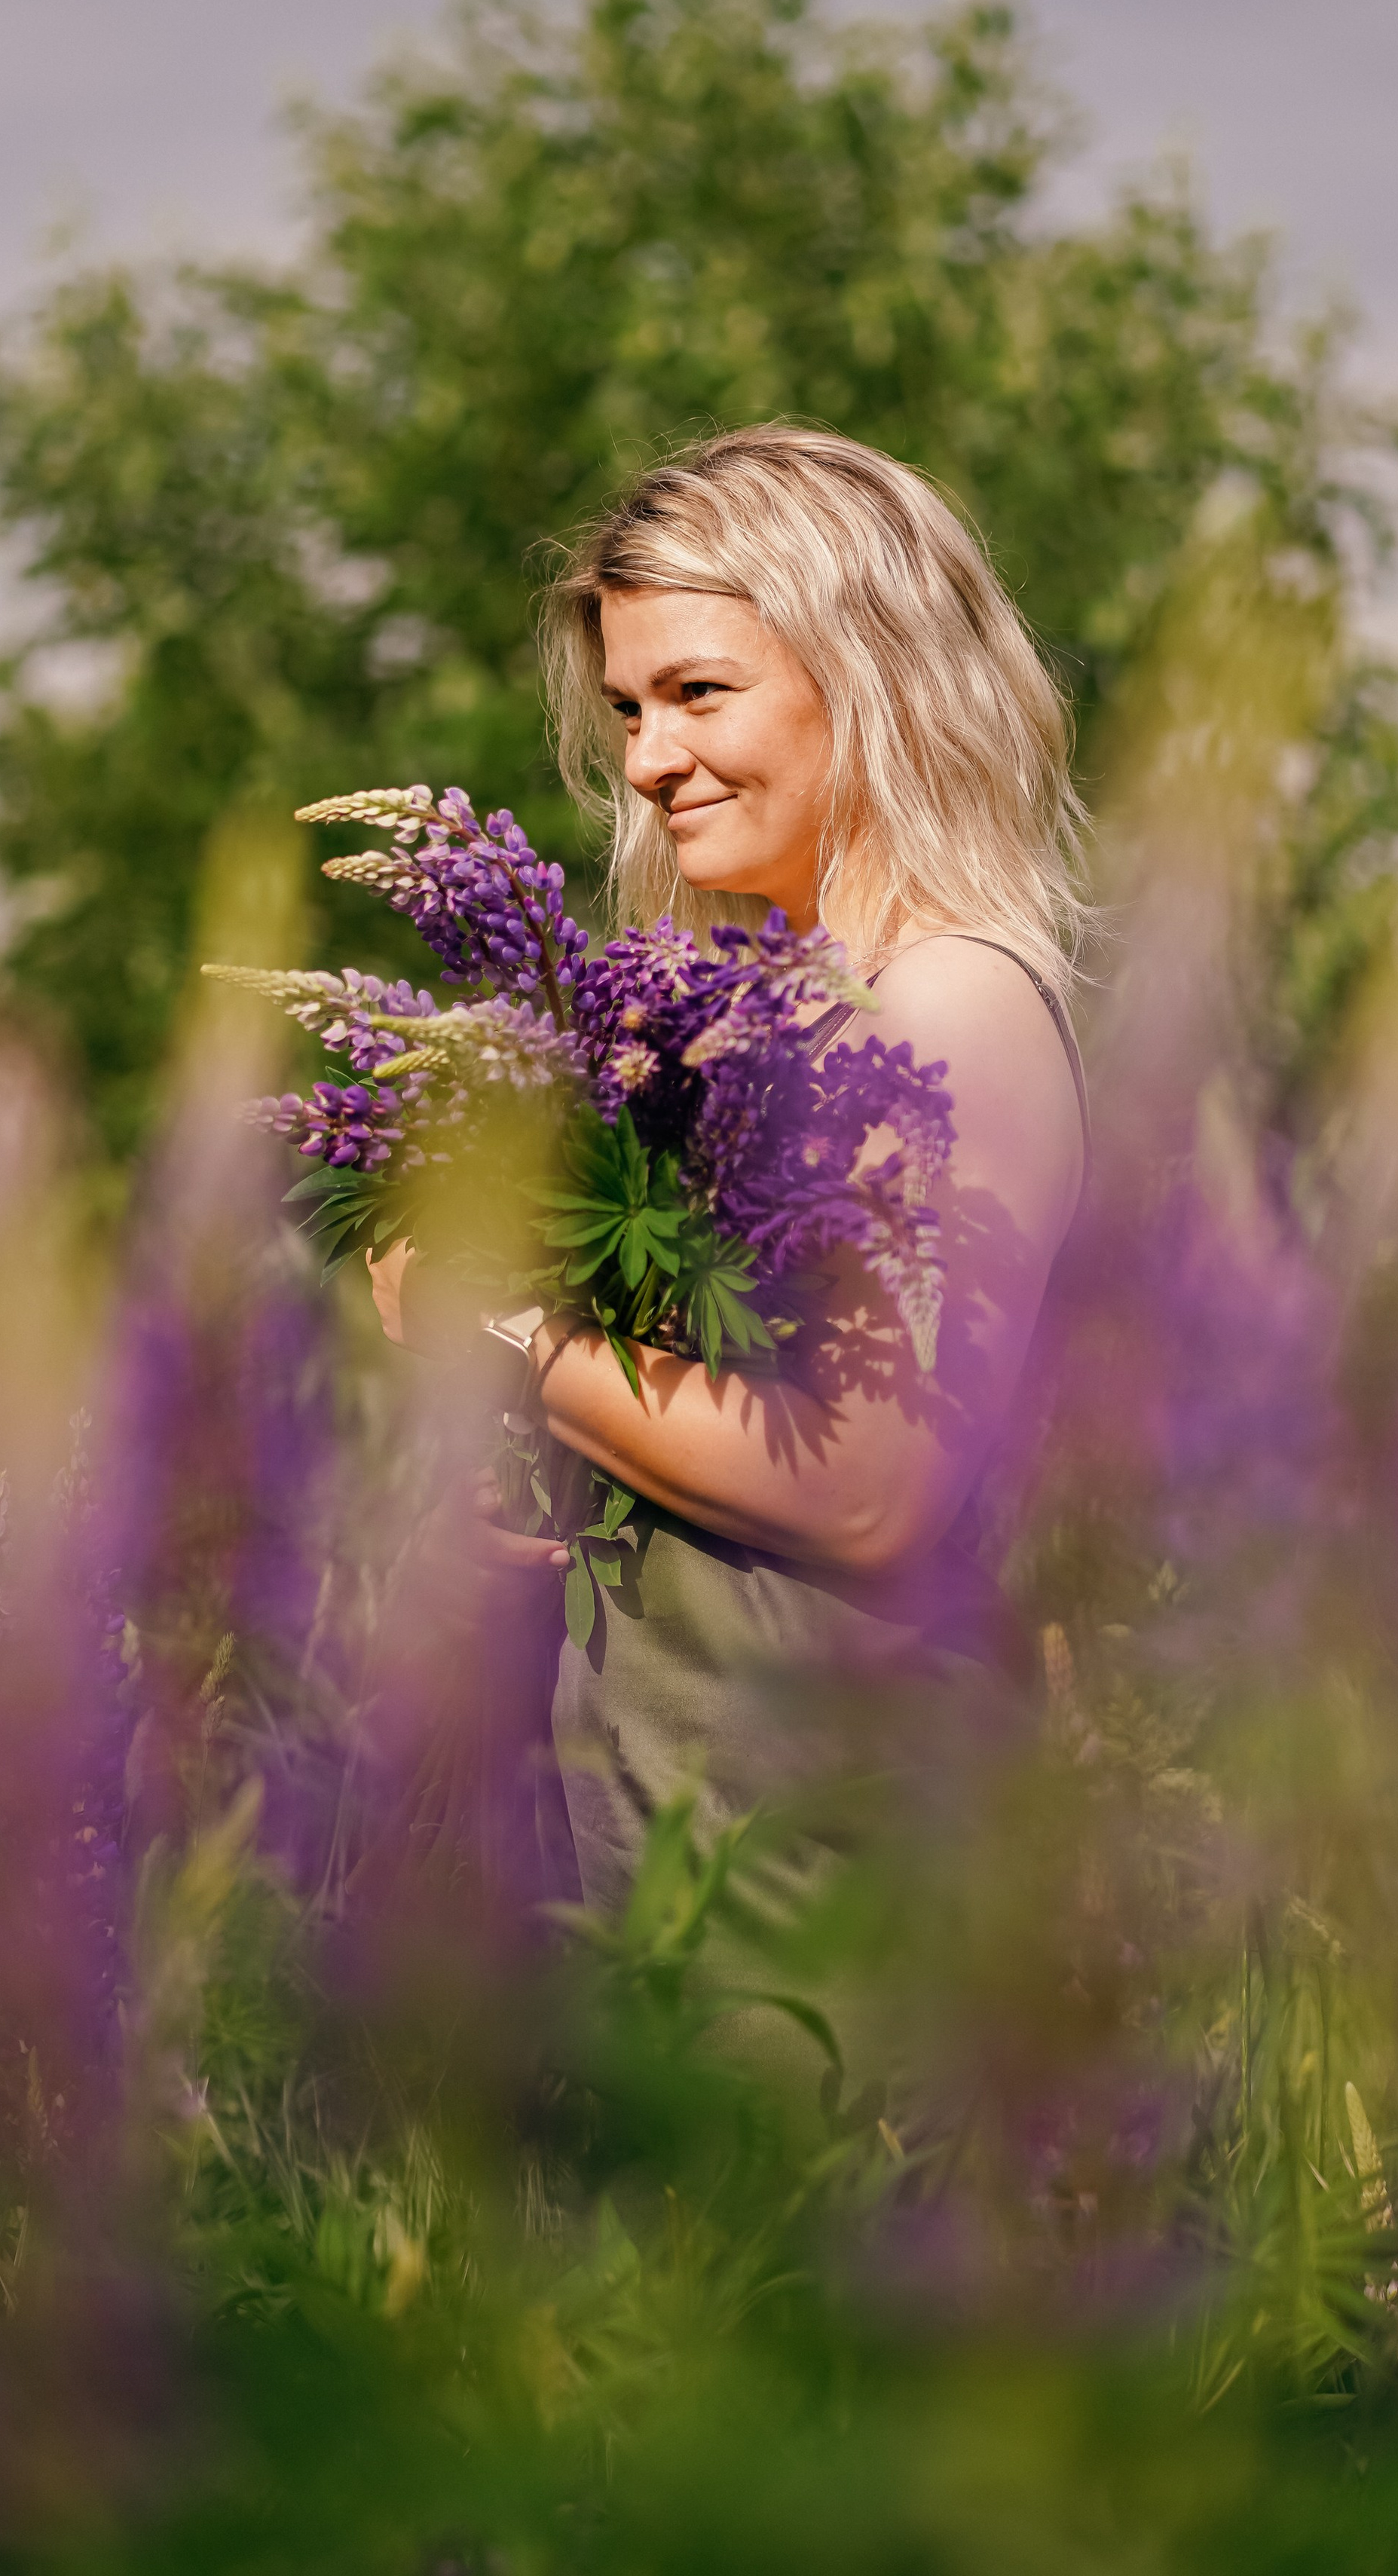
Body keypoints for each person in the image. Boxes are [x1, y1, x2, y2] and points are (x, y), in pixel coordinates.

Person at [368, 427, 1089, 1921]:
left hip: (846, 1933)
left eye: (699, 692)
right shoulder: (747, 1019)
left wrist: (504, 1329)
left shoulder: (946, 1002)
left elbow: (868, 1487)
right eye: (630, 706)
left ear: (874, 673)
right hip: (682, 1905)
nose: (645, 760)